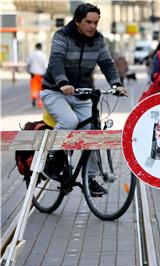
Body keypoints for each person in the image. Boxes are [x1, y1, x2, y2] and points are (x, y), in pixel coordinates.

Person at [40, 3, 127, 196]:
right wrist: (62, 82)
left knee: (93, 130)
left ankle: (91, 178)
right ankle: (51, 158)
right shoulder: (62, 36)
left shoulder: (98, 40)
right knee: (69, 121)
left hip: (81, 94)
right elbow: (56, 61)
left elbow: (106, 63)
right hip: (55, 91)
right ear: (77, 21)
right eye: (88, 22)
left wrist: (116, 84)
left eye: (96, 22)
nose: (92, 26)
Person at [27, 43, 48, 107]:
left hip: (33, 74)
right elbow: (46, 66)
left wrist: (29, 71)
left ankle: (34, 98)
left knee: (34, 87)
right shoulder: (44, 55)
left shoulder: (31, 54)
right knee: (41, 88)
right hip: (42, 74)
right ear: (41, 47)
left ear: (35, 47)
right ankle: (40, 102)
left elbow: (28, 64)